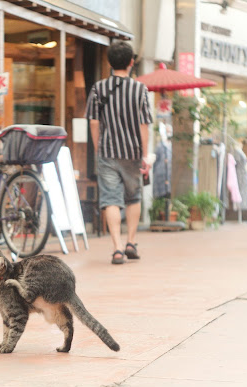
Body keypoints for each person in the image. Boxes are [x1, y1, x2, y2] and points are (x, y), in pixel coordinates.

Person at [85, 41, 153, 264]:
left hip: (108, 151)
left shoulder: (98, 88)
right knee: (133, 197)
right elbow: (145, 125)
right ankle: (131, 242)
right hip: (133, 152)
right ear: (131, 62)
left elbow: (94, 123)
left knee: (111, 199)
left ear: (109, 63)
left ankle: (117, 248)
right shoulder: (139, 89)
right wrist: (144, 154)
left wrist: (98, 147)